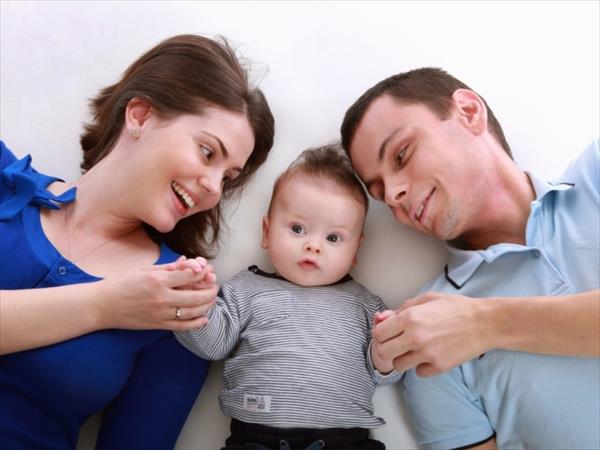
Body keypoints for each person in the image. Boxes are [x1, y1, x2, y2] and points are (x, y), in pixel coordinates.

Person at [0, 34, 275, 450]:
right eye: (207, 153)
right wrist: (105, 305)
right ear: (140, 116)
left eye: (228, 177)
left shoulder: (176, 300)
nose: (213, 187)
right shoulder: (5, 180)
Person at [340, 67, 599, 449]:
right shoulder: (427, 333)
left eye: (401, 154)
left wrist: (484, 323)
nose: (393, 194)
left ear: (468, 112)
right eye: (380, 193)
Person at [175, 144, 401, 450]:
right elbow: (214, 345)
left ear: (355, 251)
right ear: (267, 232)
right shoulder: (245, 289)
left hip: (346, 442)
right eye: (297, 228)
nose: (313, 245)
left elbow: (387, 375)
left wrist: (385, 356)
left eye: (333, 237)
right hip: (255, 440)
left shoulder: (366, 305)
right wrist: (193, 302)